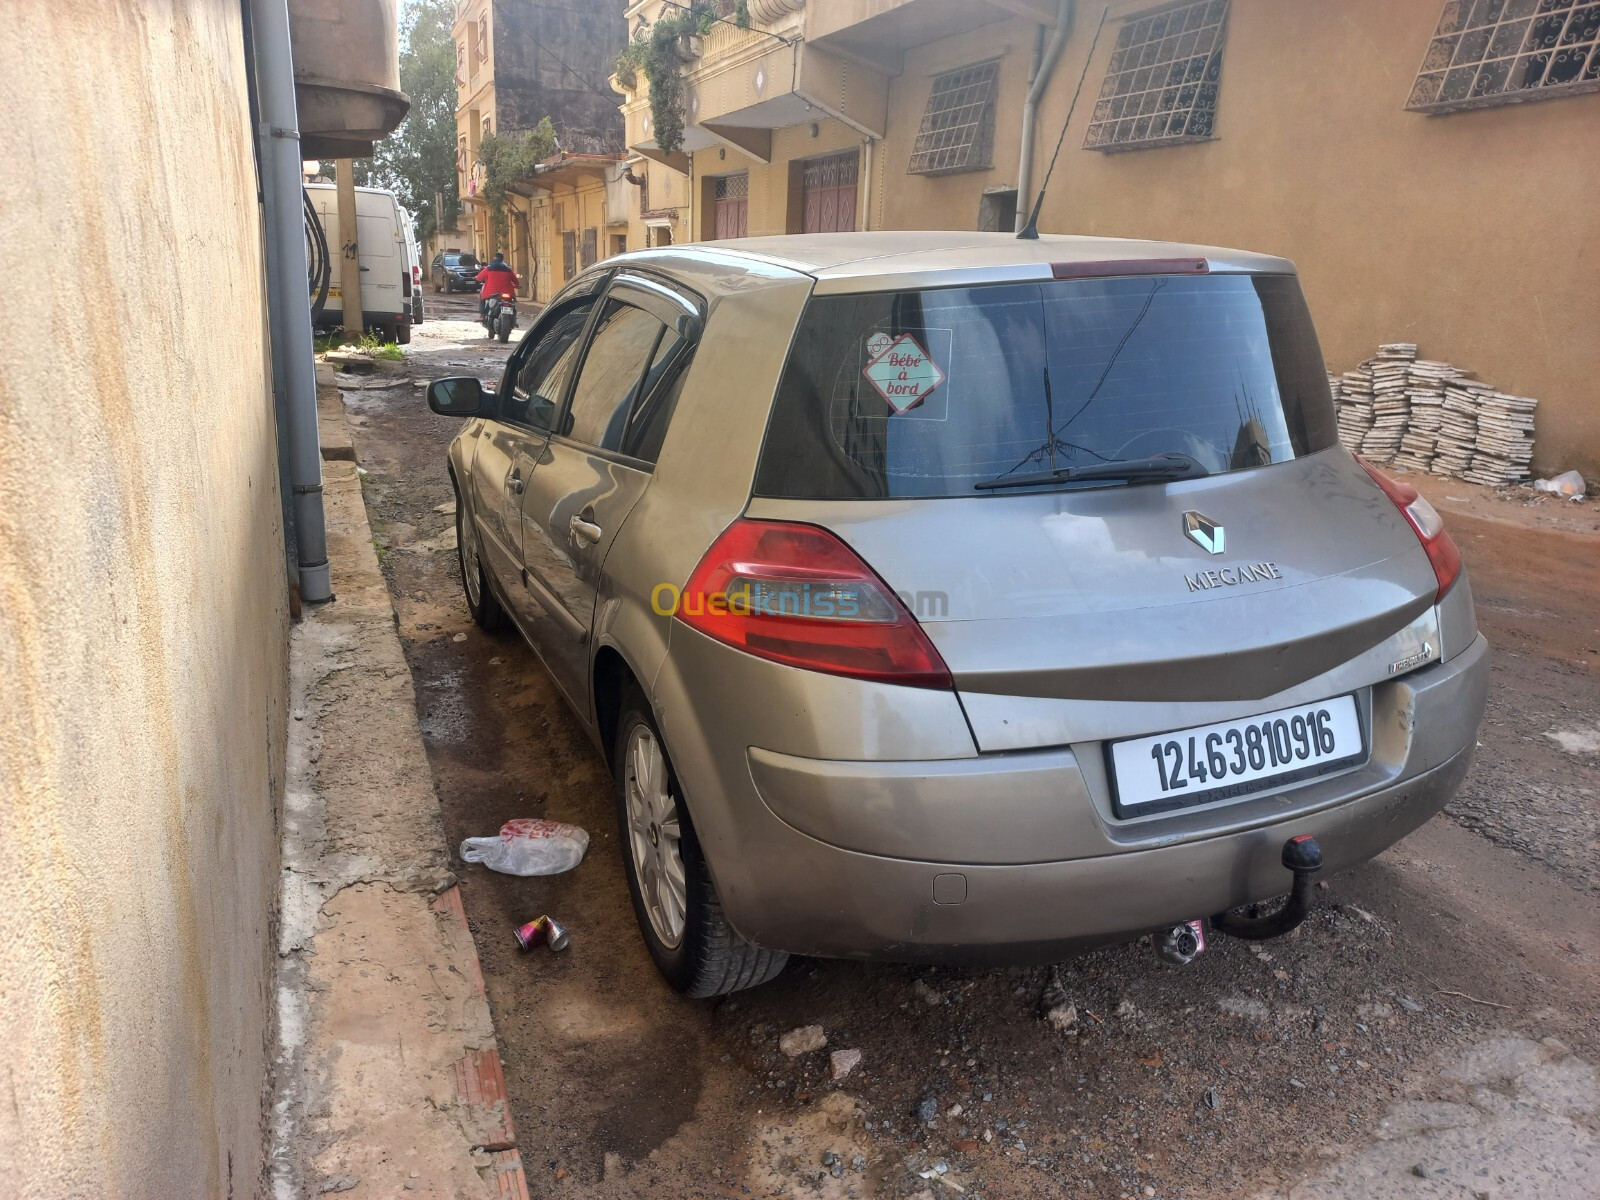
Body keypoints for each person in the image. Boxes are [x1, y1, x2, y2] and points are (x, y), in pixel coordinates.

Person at [474, 252, 519, 318]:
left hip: (491, 293)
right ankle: (513, 317)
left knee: (481, 295)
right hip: (507, 292)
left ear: (494, 258)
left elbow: (479, 278)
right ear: (502, 259)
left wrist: (476, 278)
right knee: (512, 303)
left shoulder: (488, 268)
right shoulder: (508, 269)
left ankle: (482, 315)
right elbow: (516, 282)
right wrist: (516, 285)